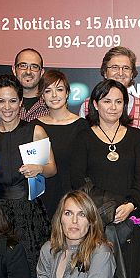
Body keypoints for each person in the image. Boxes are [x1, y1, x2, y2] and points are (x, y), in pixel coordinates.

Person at [70, 78, 140, 278]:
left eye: (118, 101)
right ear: (95, 105)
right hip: (95, 224)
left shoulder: (136, 136)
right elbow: (78, 182)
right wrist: (104, 210)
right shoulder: (84, 136)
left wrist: (129, 206)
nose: (113, 107)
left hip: (130, 223)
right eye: (106, 101)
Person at [0, 74, 56, 278]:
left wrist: (38, 168)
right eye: (1, 101)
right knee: (0, 274)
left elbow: (51, 168)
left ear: (20, 102)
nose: (7, 107)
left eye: (13, 101)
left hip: (28, 212)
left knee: (30, 275)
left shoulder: (35, 131)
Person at [33, 69, 88, 220]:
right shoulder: (34, 127)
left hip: (73, 201)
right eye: (48, 91)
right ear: (42, 96)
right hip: (42, 201)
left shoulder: (82, 126)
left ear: (67, 93)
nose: (54, 95)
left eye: (59, 89)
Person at [80, 46, 140, 144]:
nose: (120, 73)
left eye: (126, 68)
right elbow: (82, 142)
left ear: (132, 74)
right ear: (105, 72)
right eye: (114, 67)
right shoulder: (88, 105)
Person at [12, 48, 48, 121]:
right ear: (14, 70)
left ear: (41, 72)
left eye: (34, 67)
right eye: (23, 66)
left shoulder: (51, 105)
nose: (28, 71)